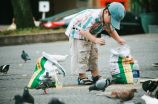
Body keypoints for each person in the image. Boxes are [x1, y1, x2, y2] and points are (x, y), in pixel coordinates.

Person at [65, 2, 126, 85]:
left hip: (89, 34)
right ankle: (82, 77)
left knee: (94, 54)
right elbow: (83, 30)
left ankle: (95, 76)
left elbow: (111, 30)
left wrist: (118, 39)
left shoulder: (107, 20)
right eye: (112, 20)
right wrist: (95, 39)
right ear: (106, 12)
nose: (111, 23)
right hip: (77, 33)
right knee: (82, 54)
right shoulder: (93, 16)